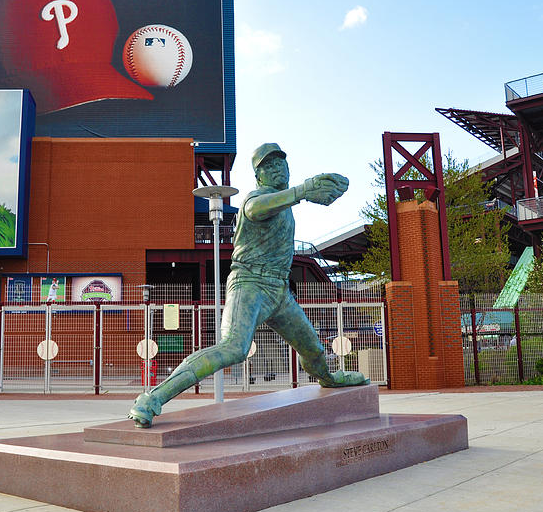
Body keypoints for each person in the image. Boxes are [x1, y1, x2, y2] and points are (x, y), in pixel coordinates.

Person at [128, 143, 368, 427]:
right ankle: (152, 398)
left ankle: (329, 378)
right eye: (267, 166)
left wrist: (309, 193)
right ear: (258, 176)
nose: (276, 168)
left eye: (280, 163)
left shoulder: (286, 204)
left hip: (278, 291)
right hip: (250, 283)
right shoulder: (257, 198)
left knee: (313, 348)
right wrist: (304, 191)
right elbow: (255, 209)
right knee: (233, 348)